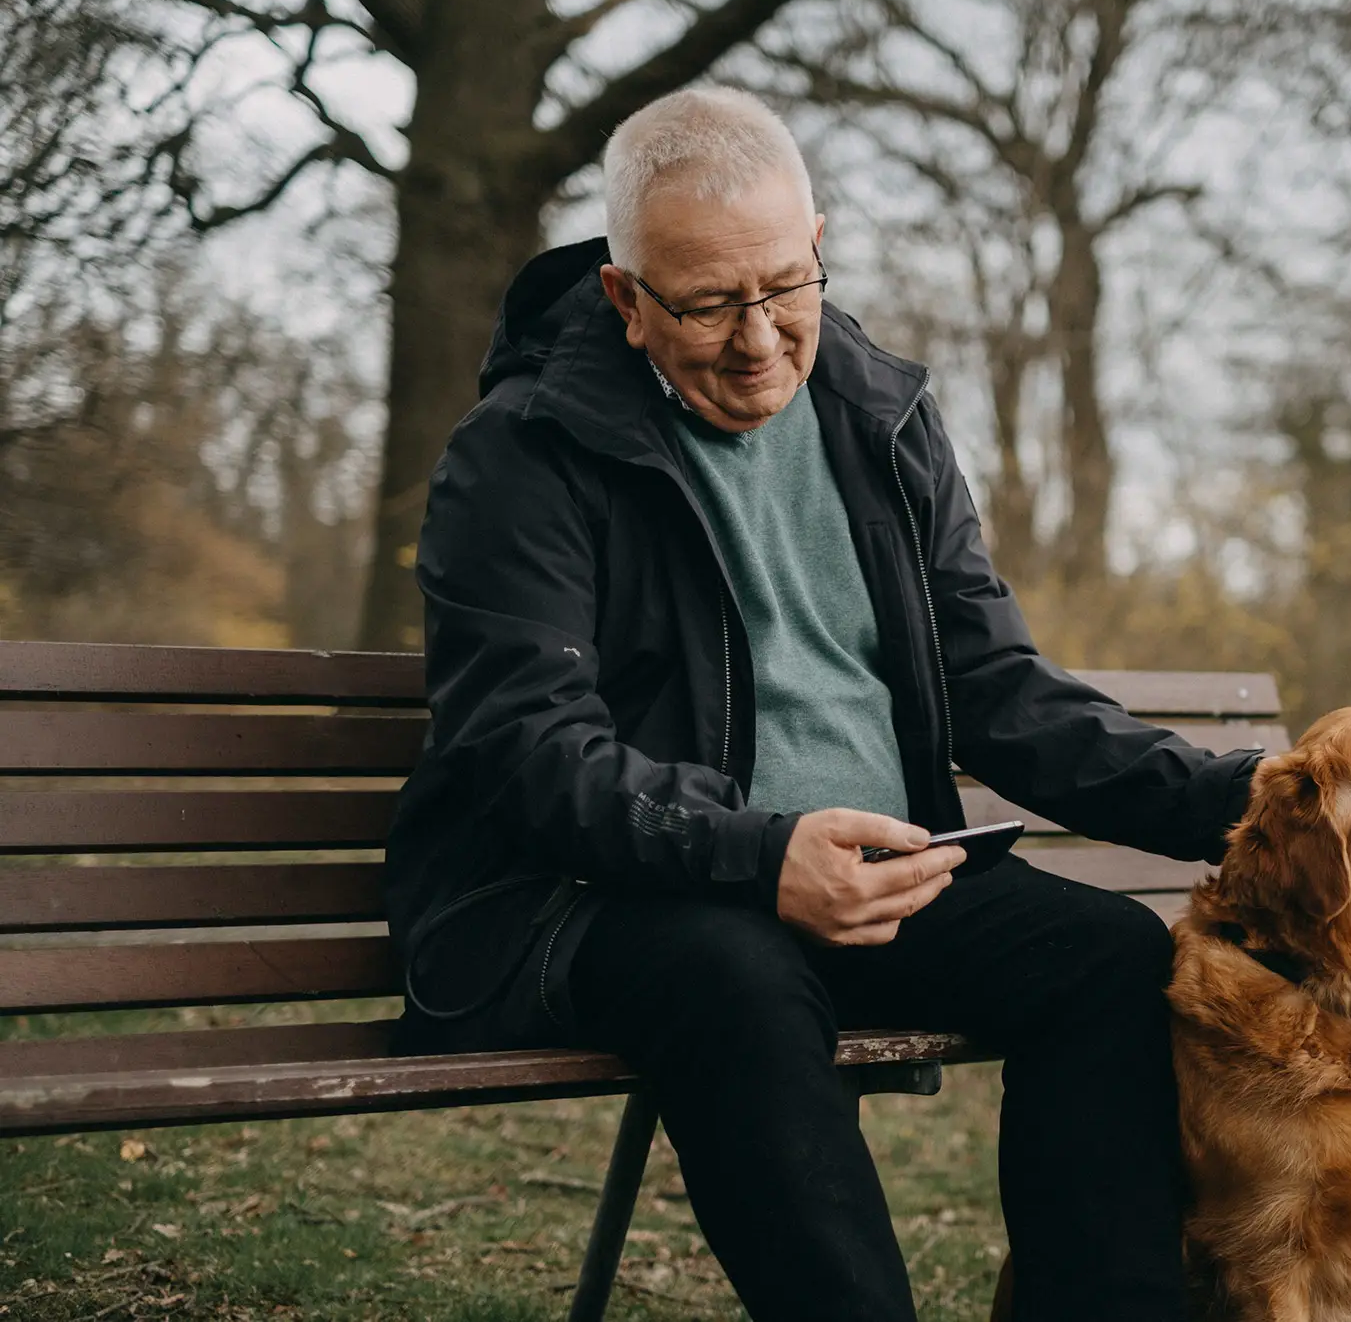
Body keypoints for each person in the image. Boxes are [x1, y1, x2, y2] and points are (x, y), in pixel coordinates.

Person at [383, 85, 1261, 1322]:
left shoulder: (876, 412)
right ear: (624, 299)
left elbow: (992, 688)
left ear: (818, 245)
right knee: (733, 969)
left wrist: (1255, 803)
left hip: (872, 882)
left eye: (784, 287)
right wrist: (759, 857)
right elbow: (528, 751)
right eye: (705, 303)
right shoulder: (520, 452)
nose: (758, 340)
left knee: (1110, 959)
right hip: (576, 904)